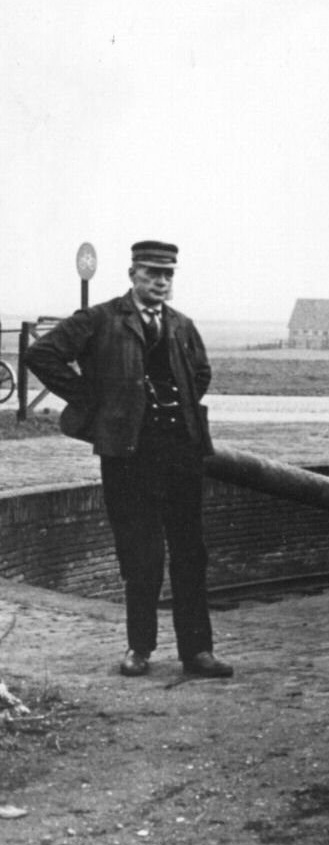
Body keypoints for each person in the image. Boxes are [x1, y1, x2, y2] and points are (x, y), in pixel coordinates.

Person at [24, 241, 233, 679]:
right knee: (142, 555)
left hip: (181, 452)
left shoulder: (181, 325)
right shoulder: (100, 319)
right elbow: (41, 354)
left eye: (168, 275)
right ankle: (140, 648)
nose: (161, 282)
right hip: (128, 456)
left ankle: (198, 652)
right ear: (132, 274)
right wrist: (96, 402)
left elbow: (201, 373)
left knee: (190, 553)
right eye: (152, 273)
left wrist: (181, 409)